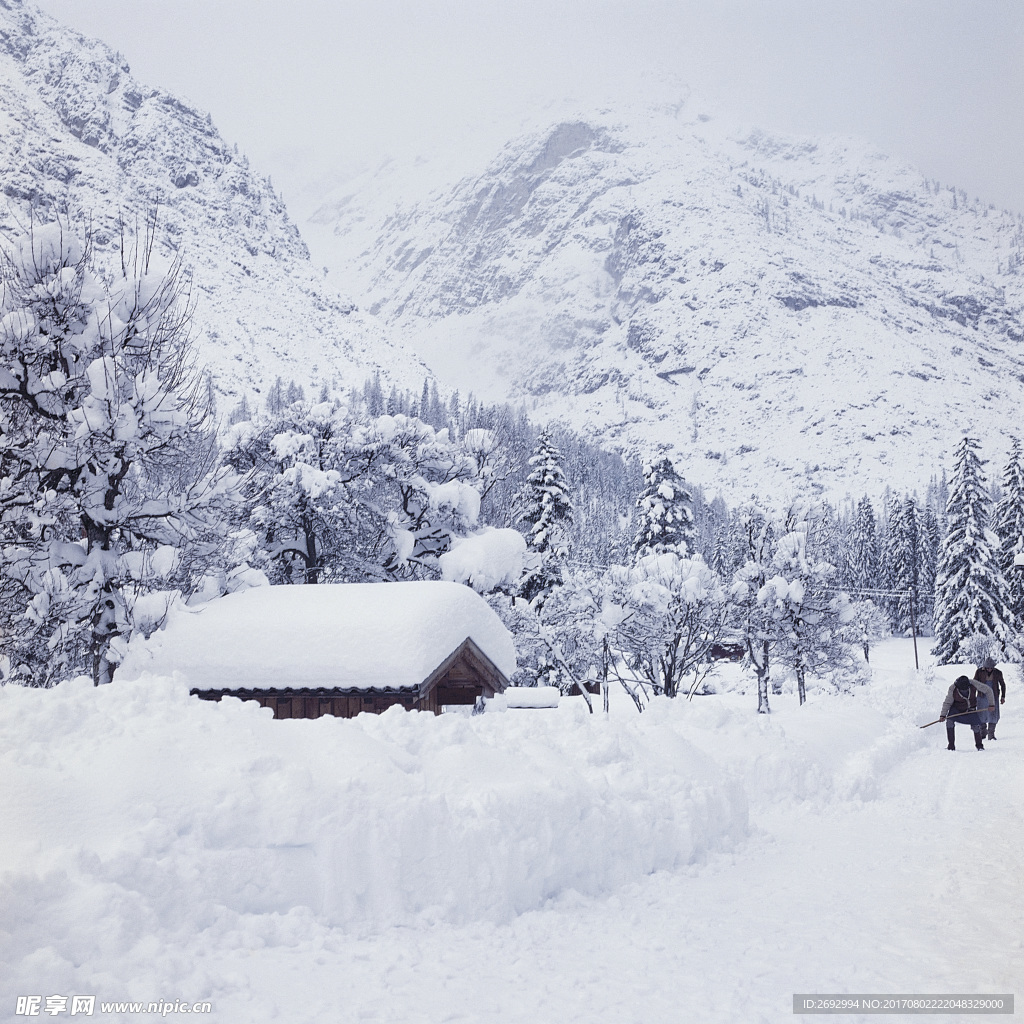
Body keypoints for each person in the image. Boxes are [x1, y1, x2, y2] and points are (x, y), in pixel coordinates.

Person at [939, 675, 995, 750]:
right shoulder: (952, 688)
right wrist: (943, 715)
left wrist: (991, 704)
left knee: (975, 726)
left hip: (970, 709)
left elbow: (988, 690)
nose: (964, 691)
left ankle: (979, 746)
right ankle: (951, 746)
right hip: (956, 709)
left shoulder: (973, 683)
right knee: (949, 721)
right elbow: (947, 703)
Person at [973, 657, 1006, 740]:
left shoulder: (998, 673)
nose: (989, 669)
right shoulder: (979, 672)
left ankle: (991, 733)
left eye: (991, 668)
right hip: (981, 696)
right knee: (981, 714)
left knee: (993, 715)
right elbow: (974, 683)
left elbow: (1002, 684)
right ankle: (982, 732)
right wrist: (972, 697)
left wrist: (1003, 696)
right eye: (988, 668)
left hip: (994, 696)